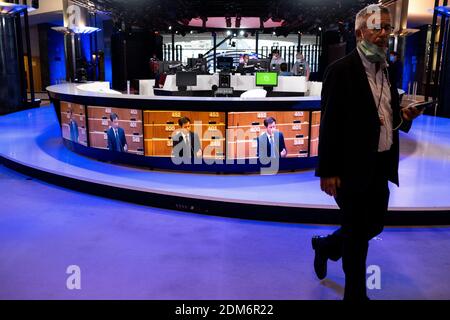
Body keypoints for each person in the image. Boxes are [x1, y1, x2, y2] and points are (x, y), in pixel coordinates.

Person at [312, 4, 422, 300]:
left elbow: (386, 113)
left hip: (380, 165)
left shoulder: (387, 68)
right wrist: (328, 169)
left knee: (374, 224)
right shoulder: (340, 71)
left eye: (388, 28)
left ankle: (326, 246)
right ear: (361, 32)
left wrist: (404, 116)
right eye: (378, 27)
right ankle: (356, 294)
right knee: (358, 237)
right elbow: (330, 123)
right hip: (349, 169)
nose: (385, 34)